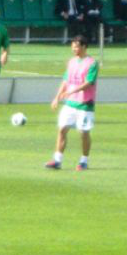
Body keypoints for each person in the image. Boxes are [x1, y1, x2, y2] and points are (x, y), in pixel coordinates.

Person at [45, 35, 99, 171]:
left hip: (85, 104)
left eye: (76, 46)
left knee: (83, 132)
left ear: (84, 47)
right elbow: (65, 80)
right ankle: (57, 160)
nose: (74, 49)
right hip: (70, 103)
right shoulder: (71, 62)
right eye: (72, 47)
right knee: (62, 129)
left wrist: (72, 91)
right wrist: (57, 97)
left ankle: (84, 161)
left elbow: (89, 82)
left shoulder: (92, 63)